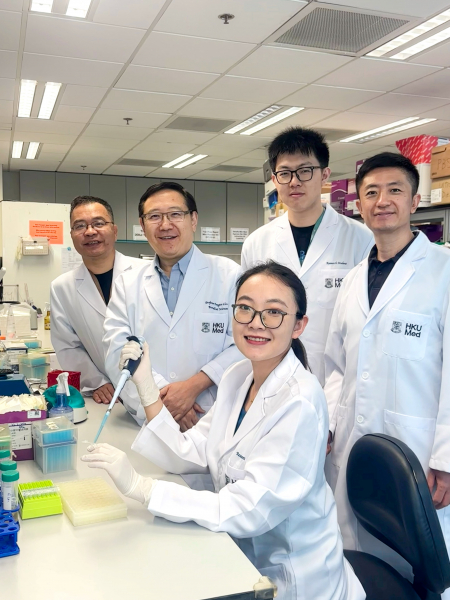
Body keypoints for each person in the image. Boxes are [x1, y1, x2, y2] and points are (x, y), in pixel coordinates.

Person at [82, 261, 365, 600]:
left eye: (274, 313)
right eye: (245, 308)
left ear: (298, 326)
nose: (256, 322)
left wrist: (143, 488)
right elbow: (191, 450)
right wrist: (145, 386)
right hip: (239, 556)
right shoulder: (238, 377)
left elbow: (250, 508)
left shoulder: (300, 402)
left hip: (295, 574)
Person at [324, 152, 450, 591]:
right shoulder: (352, 280)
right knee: (363, 568)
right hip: (352, 447)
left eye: (395, 190)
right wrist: (330, 422)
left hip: (419, 453)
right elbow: (336, 366)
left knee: (422, 572)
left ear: (414, 201)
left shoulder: (444, 273)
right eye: (371, 192)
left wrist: (445, 458)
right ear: (358, 204)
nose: (382, 201)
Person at [103, 182, 242, 429]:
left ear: (193, 220)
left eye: (176, 214)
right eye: (154, 216)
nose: (165, 225)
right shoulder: (127, 283)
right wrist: (161, 401)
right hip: (149, 419)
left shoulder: (230, 275)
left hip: (211, 416)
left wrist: (193, 387)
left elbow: (243, 345)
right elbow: (117, 351)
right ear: (142, 225)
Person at [241, 127, 373, 385]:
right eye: (285, 173)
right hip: (272, 377)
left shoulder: (361, 239)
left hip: (336, 379)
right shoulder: (256, 243)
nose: (294, 181)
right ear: (275, 180)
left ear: (324, 175)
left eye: (305, 171)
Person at [51, 195, 144, 406]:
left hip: (160, 390)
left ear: (115, 230)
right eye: (79, 226)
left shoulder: (146, 273)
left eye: (99, 223)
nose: (90, 231)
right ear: (72, 236)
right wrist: (96, 382)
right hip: (109, 397)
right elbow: (68, 346)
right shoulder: (62, 287)